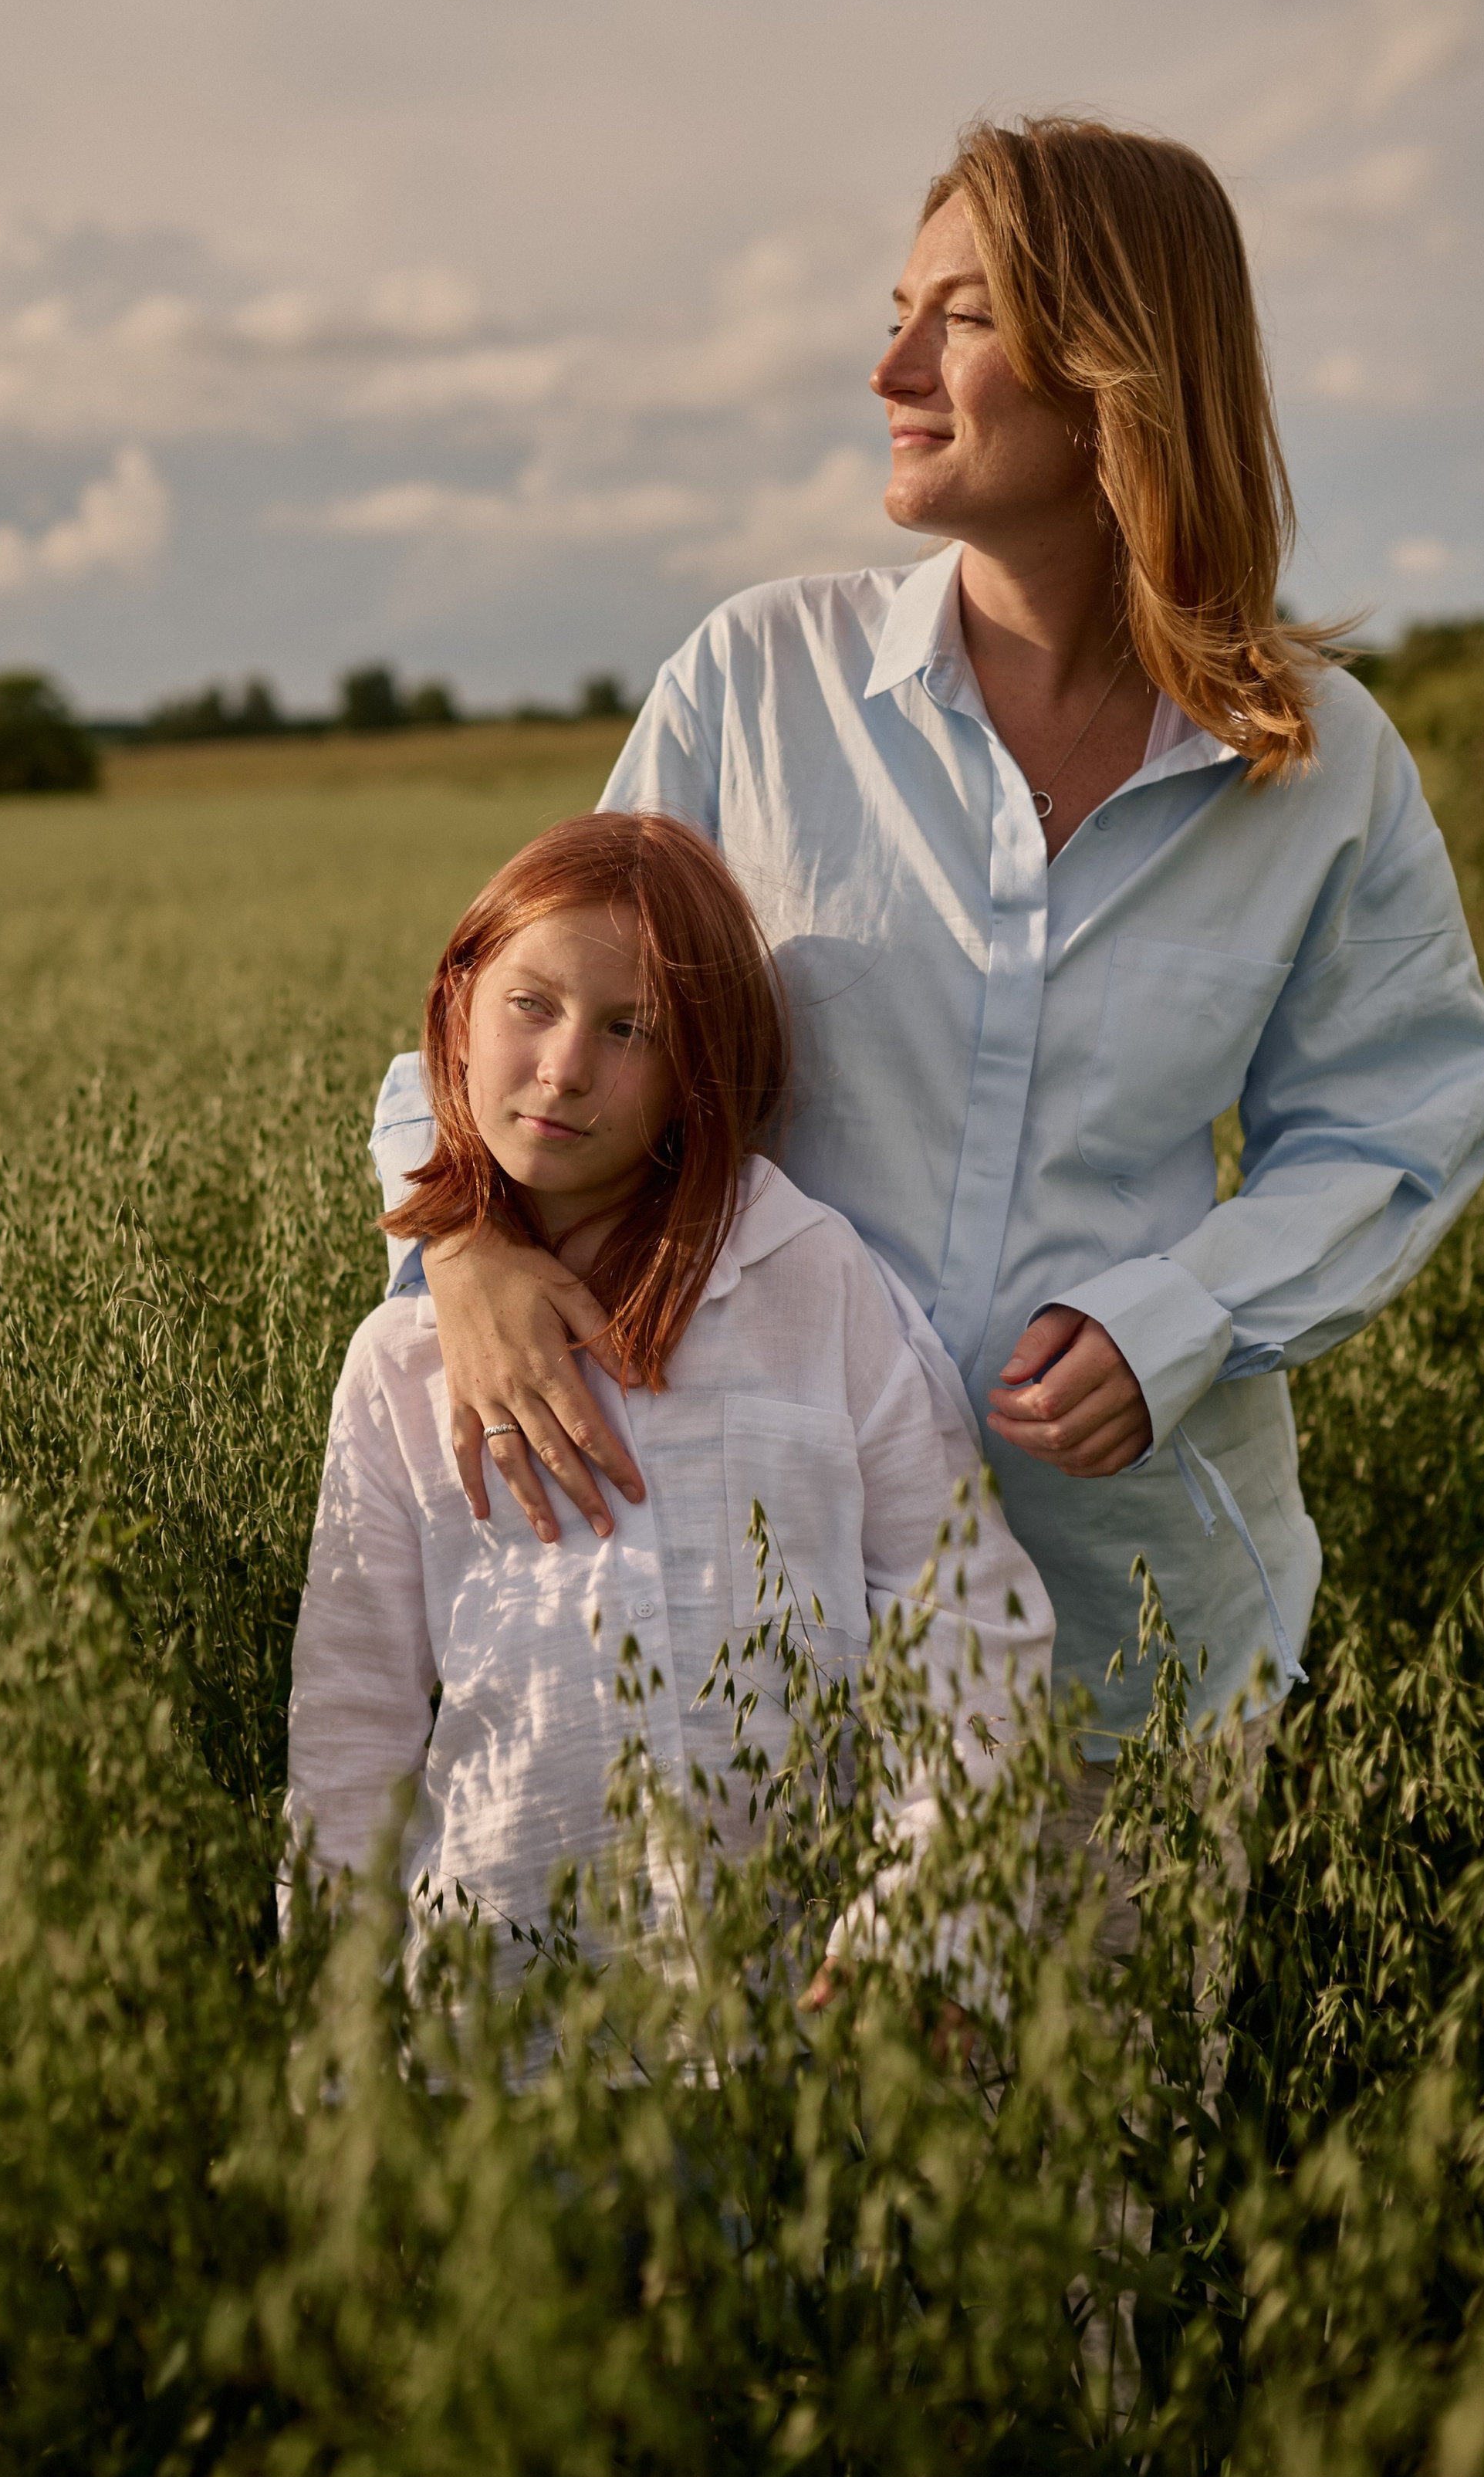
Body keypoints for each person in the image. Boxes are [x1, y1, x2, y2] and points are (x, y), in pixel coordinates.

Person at [374, 118, 1484, 1852]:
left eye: (958, 321)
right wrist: (455, 1239)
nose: (889, 365)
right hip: (747, 1635)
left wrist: (1177, 1317)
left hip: (1128, 1634)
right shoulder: (757, 681)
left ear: (1113, 371)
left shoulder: (1314, 760)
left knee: (1091, 2127)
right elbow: (514, 1024)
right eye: (897, 310)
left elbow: (1402, 1115)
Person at [284, 814, 1052, 1953]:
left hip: (803, 2014)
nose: (563, 1068)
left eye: (629, 1029)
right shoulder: (400, 1360)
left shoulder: (813, 1282)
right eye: (530, 1005)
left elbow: (969, 1632)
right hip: (497, 2033)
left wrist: (926, 1931)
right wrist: (337, 2045)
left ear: (697, 1076)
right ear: (456, 1011)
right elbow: (353, 1732)